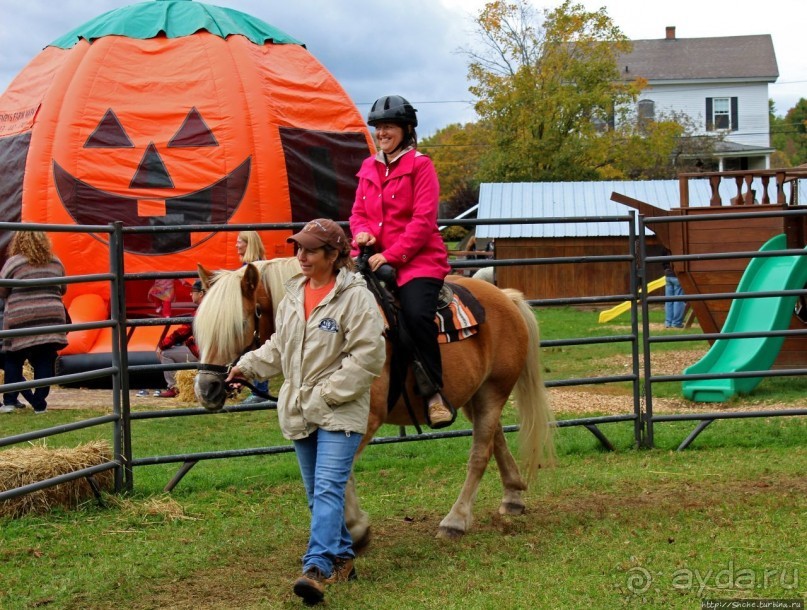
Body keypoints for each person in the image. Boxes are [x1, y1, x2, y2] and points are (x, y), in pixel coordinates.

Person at [225, 219, 385, 605]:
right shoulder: (294, 292)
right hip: (300, 408)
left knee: (329, 489)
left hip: (339, 410)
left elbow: (369, 356)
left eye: (311, 250)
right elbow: (281, 344)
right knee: (317, 494)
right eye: (299, 249)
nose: (301, 256)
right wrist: (246, 366)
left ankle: (317, 566)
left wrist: (328, 394)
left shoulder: (355, 298)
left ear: (334, 255)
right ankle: (344, 556)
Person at [350, 94, 453, 428]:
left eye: (389, 126)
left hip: (417, 261)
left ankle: (434, 392)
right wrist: (362, 235)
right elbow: (358, 214)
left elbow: (423, 222)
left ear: (407, 130)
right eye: (379, 127)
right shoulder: (368, 167)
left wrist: (391, 255)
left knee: (416, 316)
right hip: (372, 258)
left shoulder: (421, 166)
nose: (382, 133)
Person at [0, 231, 68, 414]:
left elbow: (2, 290)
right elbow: (63, 289)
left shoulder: (15, 262)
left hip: (21, 318)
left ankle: (9, 401)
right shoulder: (55, 261)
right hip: (51, 318)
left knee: (14, 357)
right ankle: (39, 402)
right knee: (45, 359)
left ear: (18, 242)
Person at [235, 230, 270, 405]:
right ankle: (259, 390)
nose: (236, 245)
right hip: (256, 314)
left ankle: (261, 391)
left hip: (257, 316)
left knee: (257, 348)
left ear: (249, 244)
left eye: (239, 241)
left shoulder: (253, 268)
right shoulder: (255, 265)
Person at [154, 280, 205, 398]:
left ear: (201, 294)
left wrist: (162, 345)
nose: (190, 294)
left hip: (204, 353)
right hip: (218, 353)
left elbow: (182, 332)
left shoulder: (201, 311)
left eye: (193, 292)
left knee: (166, 353)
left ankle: (174, 387)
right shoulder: (215, 308)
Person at [663, 249, 686, 328]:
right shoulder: (679, 248)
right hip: (677, 275)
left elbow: (663, 260)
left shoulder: (666, 247)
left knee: (669, 300)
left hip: (668, 274)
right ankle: (676, 323)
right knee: (678, 300)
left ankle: (668, 322)